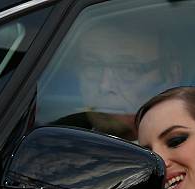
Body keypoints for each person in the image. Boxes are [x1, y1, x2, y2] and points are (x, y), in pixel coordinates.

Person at [52, 23, 181, 140]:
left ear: (171, 76)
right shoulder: (54, 140)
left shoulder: (185, 159)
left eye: (128, 69)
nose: (104, 86)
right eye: (93, 66)